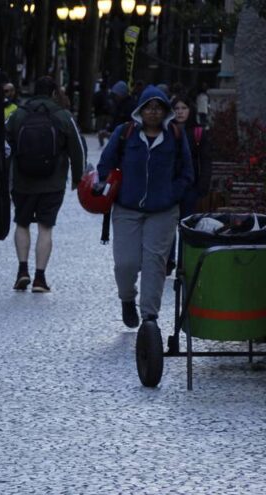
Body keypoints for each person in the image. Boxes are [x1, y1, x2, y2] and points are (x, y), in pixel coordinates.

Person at [96, 86, 194, 329]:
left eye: (158, 107)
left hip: (163, 211)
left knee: (155, 264)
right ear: (140, 110)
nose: (153, 112)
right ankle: (127, 299)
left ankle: (150, 317)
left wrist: (172, 194)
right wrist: (110, 185)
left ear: (165, 111)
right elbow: (105, 166)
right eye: (148, 107)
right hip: (127, 208)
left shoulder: (175, 135)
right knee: (125, 264)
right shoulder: (125, 133)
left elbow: (187, 173)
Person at [6, 76, 86, 293]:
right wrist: (78, 178)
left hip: (22, 181)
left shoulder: (18, 114)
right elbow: (77, 148)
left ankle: (22, 270)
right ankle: (40, 278)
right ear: (53, 93)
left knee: (22, 224)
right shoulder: (62, 116)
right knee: (45, 227)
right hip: (53, 182)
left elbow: (5, 144)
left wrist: (5, 176)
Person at [167, 94, 213, 272]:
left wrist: (203, 185)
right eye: (176, 109)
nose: (179, 112)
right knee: (168, 224)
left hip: (191, 188)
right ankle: (169, 260)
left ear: (190, 110)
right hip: (170, 186)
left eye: (183, 108)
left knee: (186, 226)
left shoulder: (198, 132)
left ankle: (184, 261)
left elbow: (206, 160)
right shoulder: (167, 130)